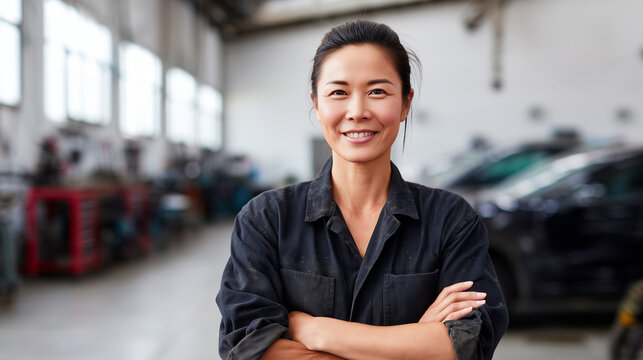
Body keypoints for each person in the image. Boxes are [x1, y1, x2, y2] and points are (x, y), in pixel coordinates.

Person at [216, 20, 508, 360]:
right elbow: (247, 345)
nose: (357, 112)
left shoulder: (451, 222)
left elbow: (472, 342)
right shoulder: (266, 220)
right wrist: (417, 339)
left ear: (405, 104)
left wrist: (317, 330)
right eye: (339, 92)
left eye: (378, 92)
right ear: (316, 102)